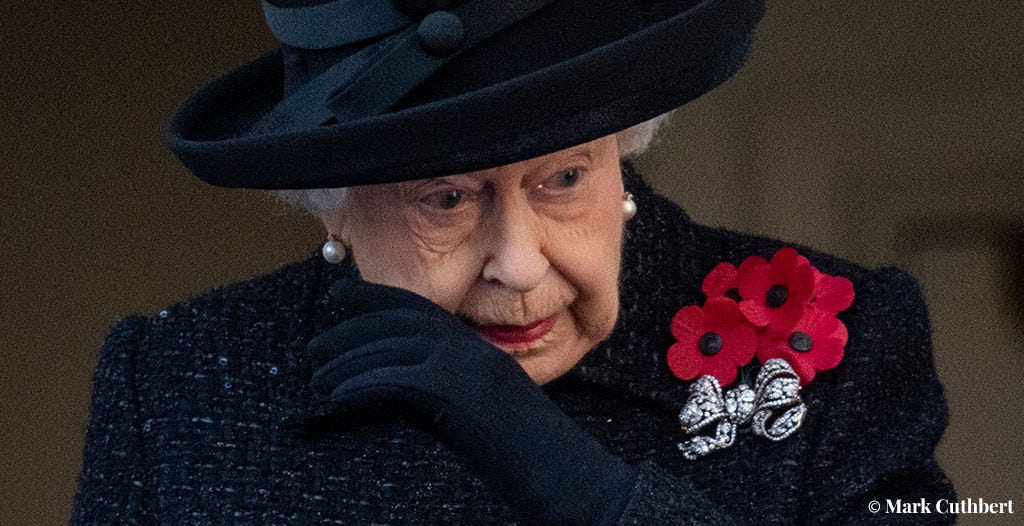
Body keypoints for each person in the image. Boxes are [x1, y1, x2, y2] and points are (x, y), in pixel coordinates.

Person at [71, 0, 957, 523]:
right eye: (447, 199)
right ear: (332, 195)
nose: (521, 266)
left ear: (624, 147)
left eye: (564, 177)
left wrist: (584, 490)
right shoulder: (179, 384)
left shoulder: (835, 339)